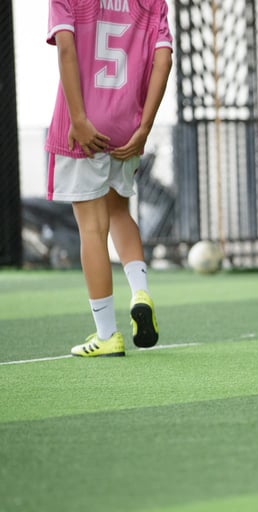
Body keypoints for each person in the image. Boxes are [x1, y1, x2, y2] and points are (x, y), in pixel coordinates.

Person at [45, 0, 173, 356]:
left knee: (90, 228)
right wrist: (144, 128)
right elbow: (164, 60)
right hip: (127, 127)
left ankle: (106, 335)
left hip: (84, 126)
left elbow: (67, 47)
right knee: (119, 211)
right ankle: (140, 292)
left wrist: (79, 119)